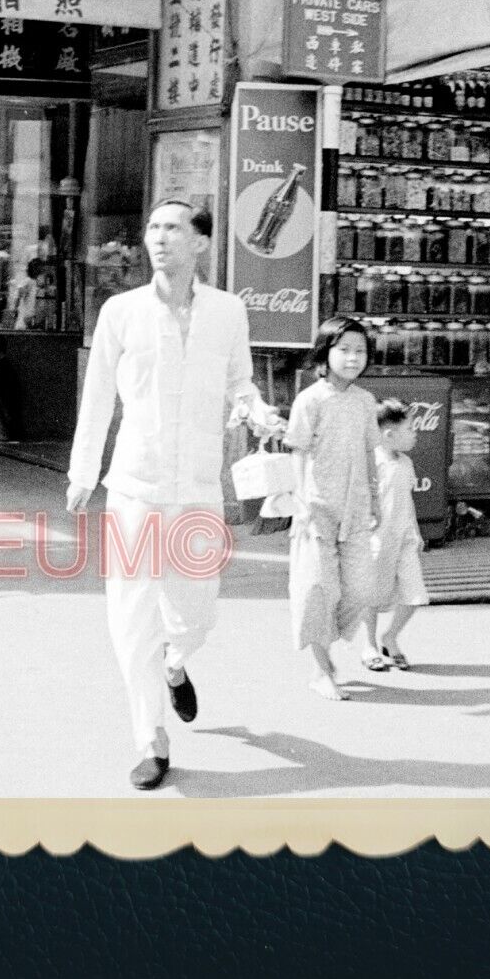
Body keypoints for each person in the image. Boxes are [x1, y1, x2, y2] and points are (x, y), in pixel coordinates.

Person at [66, 198, 281, 791]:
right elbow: (98, 397)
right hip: (133, 486)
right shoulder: (122, 312)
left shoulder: (227, 312)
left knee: (196, 612)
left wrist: (257, 412)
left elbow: (240, 382)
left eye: (172, 229)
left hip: (197, 490)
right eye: (153, 228)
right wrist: (83, 472)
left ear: (201, 242)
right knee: (131, 615)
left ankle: (177, 663)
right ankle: (150, 739)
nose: (158, 238)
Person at [284, 318, 382, 701]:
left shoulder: (365, 401)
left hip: (356, 510)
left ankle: (329, 641)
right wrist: (301, 502)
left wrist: (374, 497)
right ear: (325, 353)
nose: (353, 358)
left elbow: (370, 453)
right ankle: (322, 670)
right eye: (344, 349)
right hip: (317, 510)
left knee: (360, 588)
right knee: (318, 590)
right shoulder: (310, 399)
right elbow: (298, 451)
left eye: (360, 351)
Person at [360, 399, 430, 670]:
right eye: (410, 429)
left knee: (415, 594)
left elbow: (407, 499)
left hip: (404, 538)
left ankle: (390, 636)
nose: (415, 434)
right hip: (377, 539)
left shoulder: (406, 463)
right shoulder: (373, 462)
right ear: (389, 434)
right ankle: (369, 645)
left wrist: (415, 530)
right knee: (372, 595)